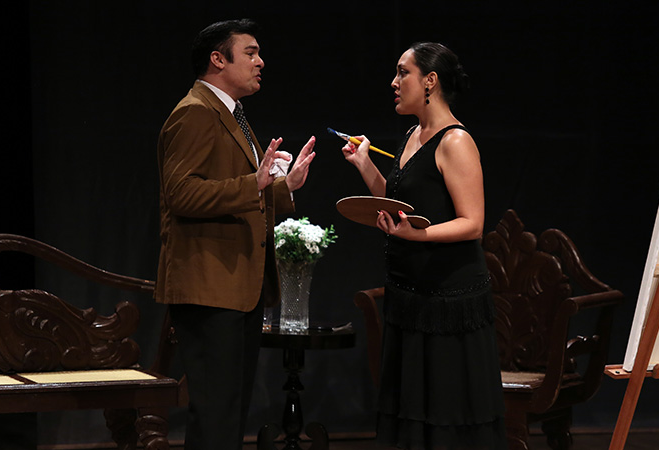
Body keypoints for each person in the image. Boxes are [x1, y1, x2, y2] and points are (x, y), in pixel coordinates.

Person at [154, 19, 315, 450]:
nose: (260, 62)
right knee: (215, 414)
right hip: (209, 287)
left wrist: (284, 187)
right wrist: (254, 183)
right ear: (218, 59)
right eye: (250, 53)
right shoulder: (195, 112)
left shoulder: (230, 114)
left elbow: (242, 193)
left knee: (229, 412)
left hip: (235, 288)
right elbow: (181, 194)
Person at [342, 42, 507, 449]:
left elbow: (472, 224)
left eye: (403, 72)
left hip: (446, 299)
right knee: (411, 410)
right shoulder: (413, 135)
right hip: (410, 294)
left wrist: (418, 236)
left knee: (445, 411)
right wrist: (364, 164)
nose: (394, 82)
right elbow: (398, 205)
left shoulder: (456, 141)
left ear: (430, 80)